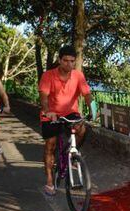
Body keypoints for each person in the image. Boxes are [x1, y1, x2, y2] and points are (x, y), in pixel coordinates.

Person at [39, 46, 92, 196]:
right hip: (51, 114)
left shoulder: (78, 76)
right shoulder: (48, 75)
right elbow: (43, 96)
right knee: (50, 145)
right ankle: (49, 180)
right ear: (59, 60)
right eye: (66, 61)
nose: (69, 64)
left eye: (72, 61)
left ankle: (74, 154)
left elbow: (87, 94)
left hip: (71, 113)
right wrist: (48, 111)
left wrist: (92, 107)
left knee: (82, 129)